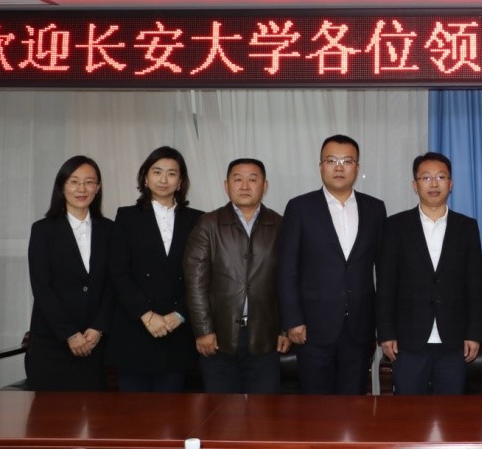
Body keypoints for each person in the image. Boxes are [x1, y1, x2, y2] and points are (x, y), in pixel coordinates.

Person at [278, 134, 387, 394]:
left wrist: (382, 326)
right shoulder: (300, 207)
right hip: (312, 327)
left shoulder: (375, 208)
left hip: (359, 327)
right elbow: (286, 269)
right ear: (321, 166)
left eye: (347, 161)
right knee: (316, 404)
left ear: (357, 167)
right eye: (331, 161)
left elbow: (384, 272)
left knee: (354, 402)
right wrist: (293, 320)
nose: (339, 167)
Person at [376, 152, 482, 394]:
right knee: (410, 412)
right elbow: (386, 284)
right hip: (408, 340)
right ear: (415, 185)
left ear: (451, 183)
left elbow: (474, 284)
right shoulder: (395, 226)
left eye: (441, 177)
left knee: (452, 412)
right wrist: (386, 333)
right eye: (426, 178)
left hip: (454, 341)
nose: (434, 184)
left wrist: (474, 333)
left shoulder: (467, 227)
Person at [184, 158, 289, 393]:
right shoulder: (208, 224)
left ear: (265, 186)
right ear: (226, 185)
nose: (245, 186)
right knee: (222, 410)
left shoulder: (280, 224)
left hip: (265, 335)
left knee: (264, 410)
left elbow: (288, 281)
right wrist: (203, 331)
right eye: (237, 179)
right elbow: (195, 283)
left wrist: (285, 329)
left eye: (252, 179)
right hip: (218, 336)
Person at [106, 146, 203, 392]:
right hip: (136, 327)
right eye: (157, 172)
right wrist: (146, 315)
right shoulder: (127, 217)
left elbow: (202, 276)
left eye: (171, 173)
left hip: (176, 328)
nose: (163, 179)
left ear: (180, 182)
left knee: (171, 410)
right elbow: (118, 272)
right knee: (133, 410)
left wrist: (179, 314)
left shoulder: (198, 220)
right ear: (145, 179)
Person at [25, 155, 114, 391]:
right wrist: (70, 334)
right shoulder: (43, 230)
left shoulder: (110, 230)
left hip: (94, 343)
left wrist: (98, 328)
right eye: (74, 182)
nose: (81, 189)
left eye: (89, 182)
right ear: (62, 186)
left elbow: (112, 284)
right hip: (52, 342)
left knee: (94, 411)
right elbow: (42, 287)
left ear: (98, 187)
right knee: (49, 413)